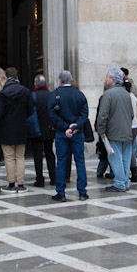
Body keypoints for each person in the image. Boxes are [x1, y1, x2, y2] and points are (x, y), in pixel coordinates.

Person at [48, 70, 89, 202]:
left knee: (61, 162)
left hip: (61, 132)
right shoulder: (79, 94)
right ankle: (82, 192)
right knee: (80, 161)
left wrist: (66, 127)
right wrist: (75, 126)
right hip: (77, 133)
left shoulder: (55, 94)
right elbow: (84, 114)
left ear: (60, 80)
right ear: (71, 80)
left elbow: (52, 114)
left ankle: (61, 192)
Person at [96, 66, 134, 192]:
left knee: (115, 157)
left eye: (107, 77)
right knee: (125, 158)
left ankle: (119, 182)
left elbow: (103, 115)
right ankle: (125, 181)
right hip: (127, 131)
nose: (105, 79)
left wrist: (100, 130)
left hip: (114, 131)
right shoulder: (126, 93)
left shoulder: (108, 94)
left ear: (112, 79)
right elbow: (132, 114)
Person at [0, 67, 32, 193]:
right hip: (21, 128)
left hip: (6, 129)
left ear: (6, 77)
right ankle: (21, 184)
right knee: (20, 157)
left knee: (9, 157)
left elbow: (0, 113)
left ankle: (11, 183)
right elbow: (30, 110)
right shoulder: (26, 91)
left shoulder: (2, 93)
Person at [29, 73, 56, 187]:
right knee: (50, 153)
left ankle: (39, 179)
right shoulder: (51, 95)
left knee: (38, 155)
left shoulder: (32, 95)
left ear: (35, 84)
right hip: (49, 129)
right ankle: (53, 178)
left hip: (36, 129)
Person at [122, 68, 137, 183]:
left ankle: (130, 173)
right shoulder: (133, 96)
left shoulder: (126, 97)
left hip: (128, 125)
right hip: (135, 125)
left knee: (127, 151)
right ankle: (133, 173)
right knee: (129, 150)